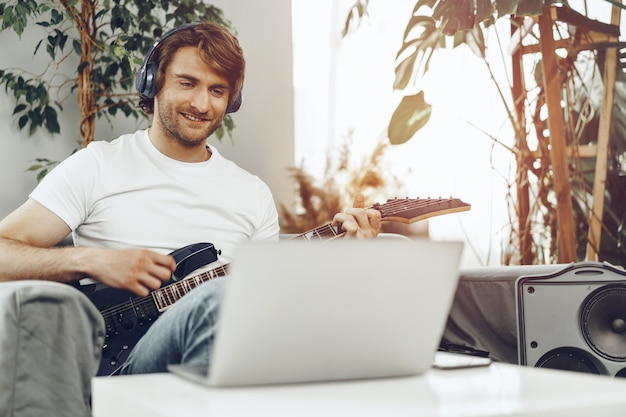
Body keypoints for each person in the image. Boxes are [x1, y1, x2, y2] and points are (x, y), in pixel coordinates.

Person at [0, 22, 381, 375]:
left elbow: (272, 301)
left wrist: (344, 262)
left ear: (232, 101)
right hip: (121, 361)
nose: (202, 104)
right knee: (217, 297)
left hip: (232, 353)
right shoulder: (97, 165)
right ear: (154, 83)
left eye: (217, 91)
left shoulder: (252, 193)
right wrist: (92, 260)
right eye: (187, 83)